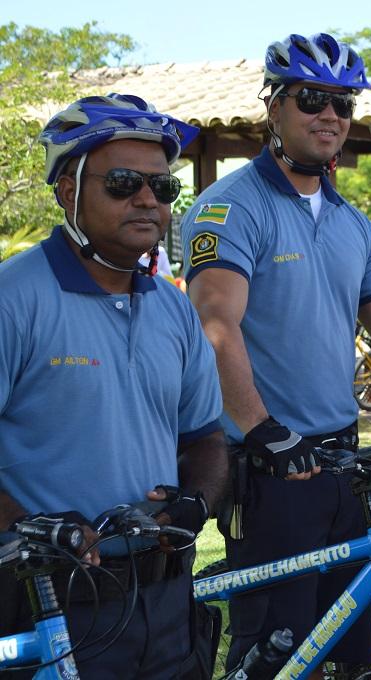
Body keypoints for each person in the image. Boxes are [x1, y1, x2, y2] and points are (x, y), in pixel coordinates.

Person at [181, 33, 371, 670]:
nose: (330, 115)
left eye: (342, 103)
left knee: (355, 647)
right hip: (272, 466)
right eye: (312, 99)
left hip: (342, 461)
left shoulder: (353, 223)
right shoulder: (230, 208)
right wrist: (264, 430)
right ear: (274, 107)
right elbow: (215, 325)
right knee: (280, 654)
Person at [0, 93, 227, 678]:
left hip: (166, 601)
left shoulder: (174, 310)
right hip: (50, 602)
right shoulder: (13, 299)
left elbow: (204, 438)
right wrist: (29, 528)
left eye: (163, 186)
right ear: (67, 191)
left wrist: (196, 503)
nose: (148, 199)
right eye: (124, 183)